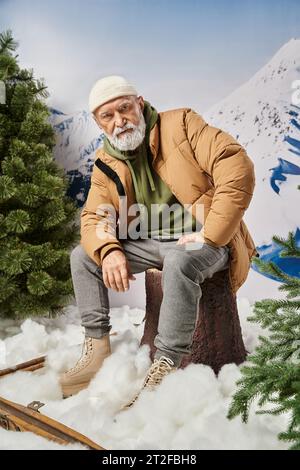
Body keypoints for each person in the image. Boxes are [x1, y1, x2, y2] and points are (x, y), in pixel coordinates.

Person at [59, 75, 258, 405]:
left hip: (202, 238)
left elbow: (236, 165)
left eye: (124, 109)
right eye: (107, 116)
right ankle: (96, 350)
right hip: (148, 239)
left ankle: (166, 361)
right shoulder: (106, 161)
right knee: (83, 256)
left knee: (179, 261)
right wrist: (108, 250)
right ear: (98, 122)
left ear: (139, 103)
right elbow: (94, 217)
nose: (119, 121)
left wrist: (210, 234)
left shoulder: (181, 124)